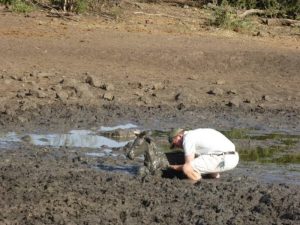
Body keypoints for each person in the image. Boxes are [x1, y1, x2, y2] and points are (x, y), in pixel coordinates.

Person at [168, 128, 239, 181]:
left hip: (224, 158)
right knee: (201, 162)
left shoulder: (187, 138)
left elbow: (188, 164)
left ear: (179, 136)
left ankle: (199, 186)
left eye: (175, 144)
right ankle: (215, 179)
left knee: (187, 168)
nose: (177, 147)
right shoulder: (196, 133)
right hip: (233, 157)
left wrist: (171, 167)